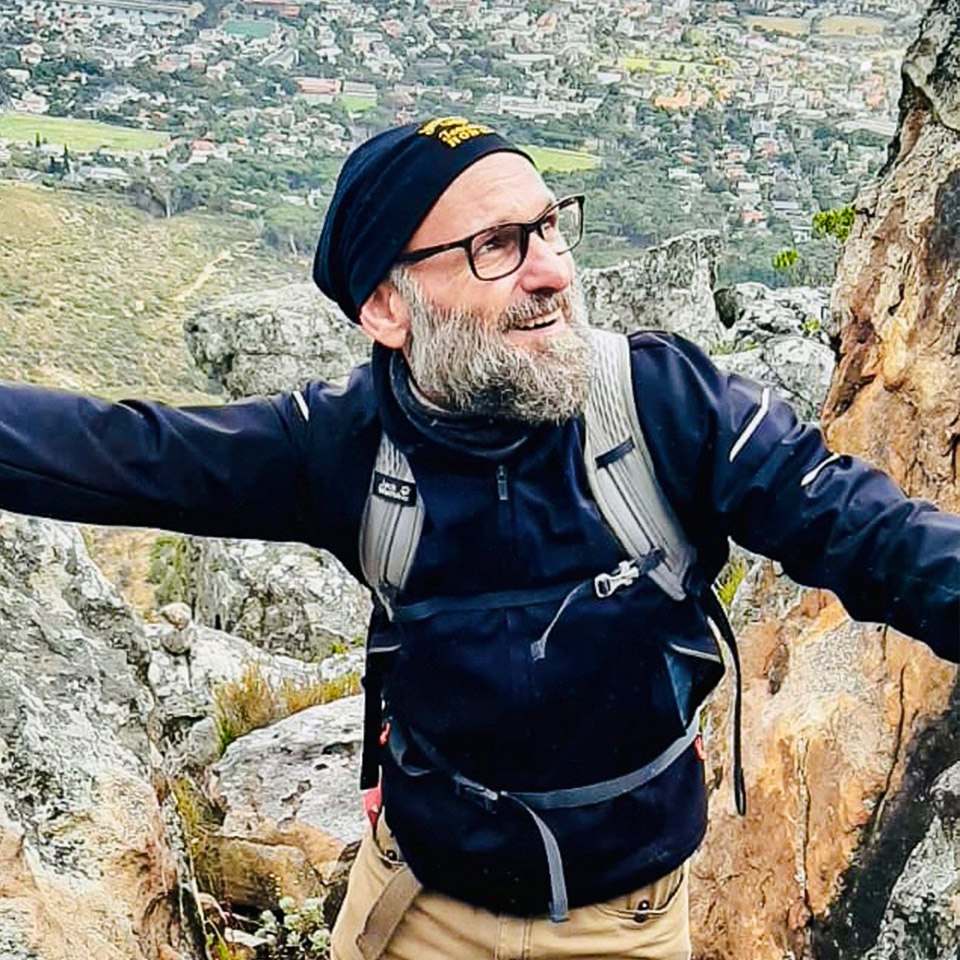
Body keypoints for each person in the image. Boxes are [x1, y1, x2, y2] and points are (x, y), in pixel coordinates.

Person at [0, 116, 957, 960]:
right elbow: (124, 454)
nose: (552, 271)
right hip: (414, 912)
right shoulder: (345, 446)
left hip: (622, 927)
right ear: (387, 307)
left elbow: (866, 532)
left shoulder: (666, 409)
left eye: (547, 227)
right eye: (497, 245)